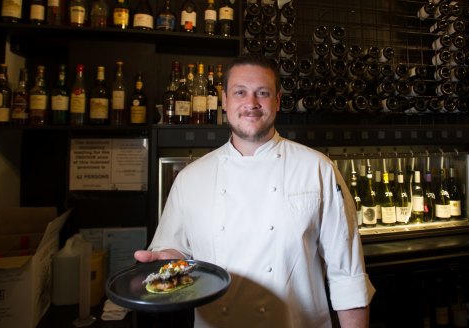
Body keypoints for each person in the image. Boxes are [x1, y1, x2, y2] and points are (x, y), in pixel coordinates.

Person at [134, 54, 375, 327]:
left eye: (262, 93)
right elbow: (174, 251)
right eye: (240, 92)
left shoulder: (318, 169)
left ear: (278, 101)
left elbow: (348, 274)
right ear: (224, 100)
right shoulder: (191, 178)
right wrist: (167, 260)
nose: (251, 103)